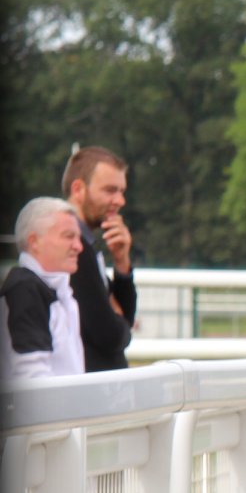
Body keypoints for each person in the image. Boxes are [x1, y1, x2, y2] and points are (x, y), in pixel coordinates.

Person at [60, 146, 137, 371]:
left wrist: (122, 262)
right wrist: (118, 318)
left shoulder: (87, 244)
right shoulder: (75, 249)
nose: (120, 200)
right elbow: (111, 337)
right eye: (110, 190)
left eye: (122, 191)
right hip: (90, 393)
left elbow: (124, 322)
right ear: (78, 189)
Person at [3, 197, 87, 381]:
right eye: (68, 236)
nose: (78, 246)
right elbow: (33, 379)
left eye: (79, 238)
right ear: (34, 241)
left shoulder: (57, 292)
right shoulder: (24, 291)